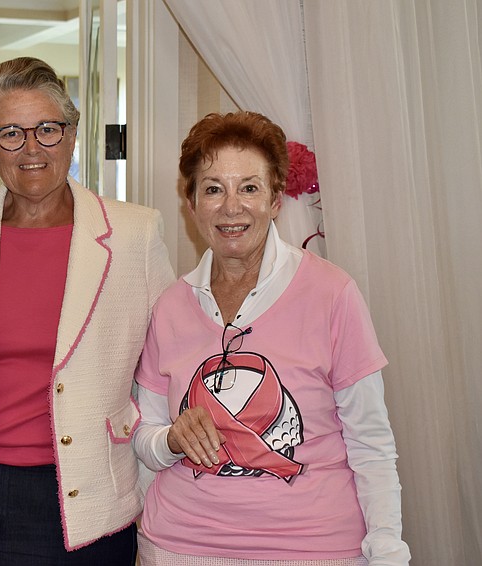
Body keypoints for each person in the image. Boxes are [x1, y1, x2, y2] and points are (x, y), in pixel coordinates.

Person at [0, 56, 175, 565]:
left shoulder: (134, 234)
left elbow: (162, 365)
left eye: (47, 130)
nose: (31, 148)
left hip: (92, 492)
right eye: (10, 132)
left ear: (72, 134)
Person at [132, 111, 411, 565]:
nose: (231, 207)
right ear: (191, 203)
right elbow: (144, 434)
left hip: (314, 548)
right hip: (180, 547)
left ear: (276, 199)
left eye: (249, 187)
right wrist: (171, 439)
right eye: (213, 189)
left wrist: (387, 550)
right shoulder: (170, 307)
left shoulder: (332, 294)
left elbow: (371, 443)